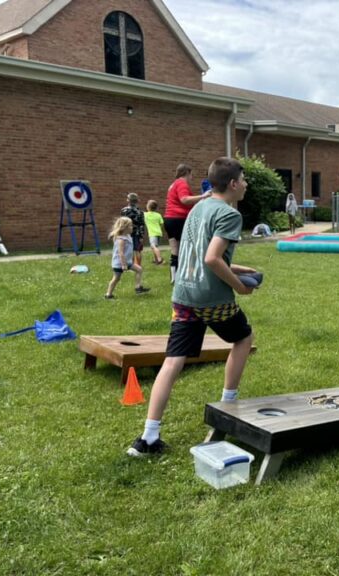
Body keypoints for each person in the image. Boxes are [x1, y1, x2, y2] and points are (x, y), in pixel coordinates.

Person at [127, 157, 256, 457]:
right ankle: (229, 404)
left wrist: (238, 268)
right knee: (243, 338)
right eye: (244, 179)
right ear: (234, 184)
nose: (247, 184)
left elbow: (199, 255)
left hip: (183, 295)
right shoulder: (229, 214)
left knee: (173, 361)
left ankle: (148, 437)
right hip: (211, 299)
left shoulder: (197, 208)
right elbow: (211, 260)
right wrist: (240, 286)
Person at [164, 163, 211, 282]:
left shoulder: (173, 184)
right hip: (179, 219)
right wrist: (203, 196)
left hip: (169, 219)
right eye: (191, 174)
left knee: (175, 249)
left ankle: (174, 277)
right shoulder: (181, 183)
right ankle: (189, 274)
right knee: (189, 248)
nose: (192, 177)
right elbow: (184, 199)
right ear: (187, 173)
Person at [104, 217, 150, 299]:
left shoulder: (128, 236)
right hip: (119, 263)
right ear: (124, 228)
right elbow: (120, 253)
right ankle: (108, 295)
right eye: (131, 226)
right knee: (116, 278)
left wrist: (129, 260)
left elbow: (128, 251)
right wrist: (123, 264)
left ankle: (138, 287)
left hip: (127, 262)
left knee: (139, 269)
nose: (132, 227)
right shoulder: (121, 239)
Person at [120, 193, 146, 266]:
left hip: (126, 233)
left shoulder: (124, 210)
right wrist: (141, 235)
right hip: (137, 233)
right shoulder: (140, 212)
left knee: (128, 250)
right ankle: (138, 265)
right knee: (137, 250)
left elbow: (121, 222)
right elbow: (142, 224)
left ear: (128, 200)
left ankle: (130, 264)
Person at [144, 199, 165, 265]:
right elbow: (161, 223)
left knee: (153, 246)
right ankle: (156, 260)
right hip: (159, 233)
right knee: (155, 246)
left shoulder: (145, 215)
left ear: (148, 207)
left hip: (152, 234)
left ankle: (160, 259)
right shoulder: (158, 215)